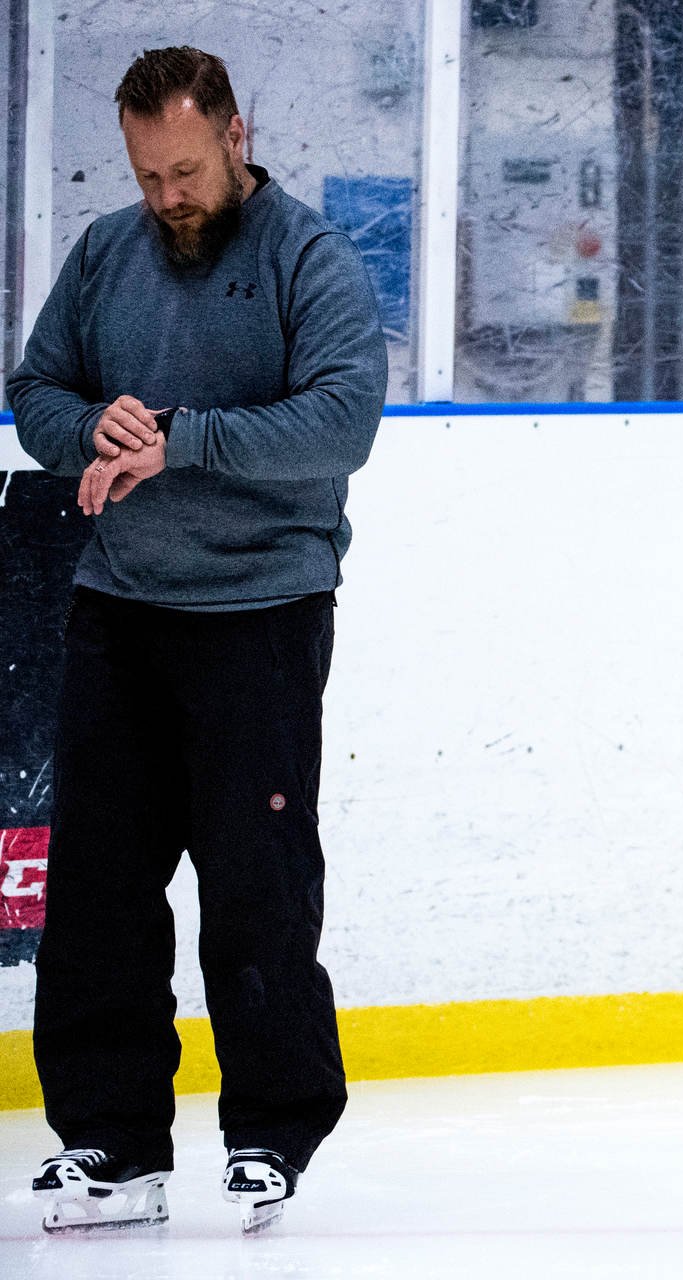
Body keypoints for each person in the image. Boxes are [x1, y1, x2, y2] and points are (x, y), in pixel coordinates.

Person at [6, 46, 386, 1234]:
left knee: (257, 883)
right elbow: (39, 391)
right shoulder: (108, 253)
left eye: (182, 168)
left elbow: (343, 419)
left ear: (235, 133)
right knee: (99, 889)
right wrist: (91, 423)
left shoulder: (308, 259)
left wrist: (185, 438)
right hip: (118, 608)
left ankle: (272, 1127)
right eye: (144, 173)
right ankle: (113, 1142)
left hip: (262, 614)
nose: (165, 194)